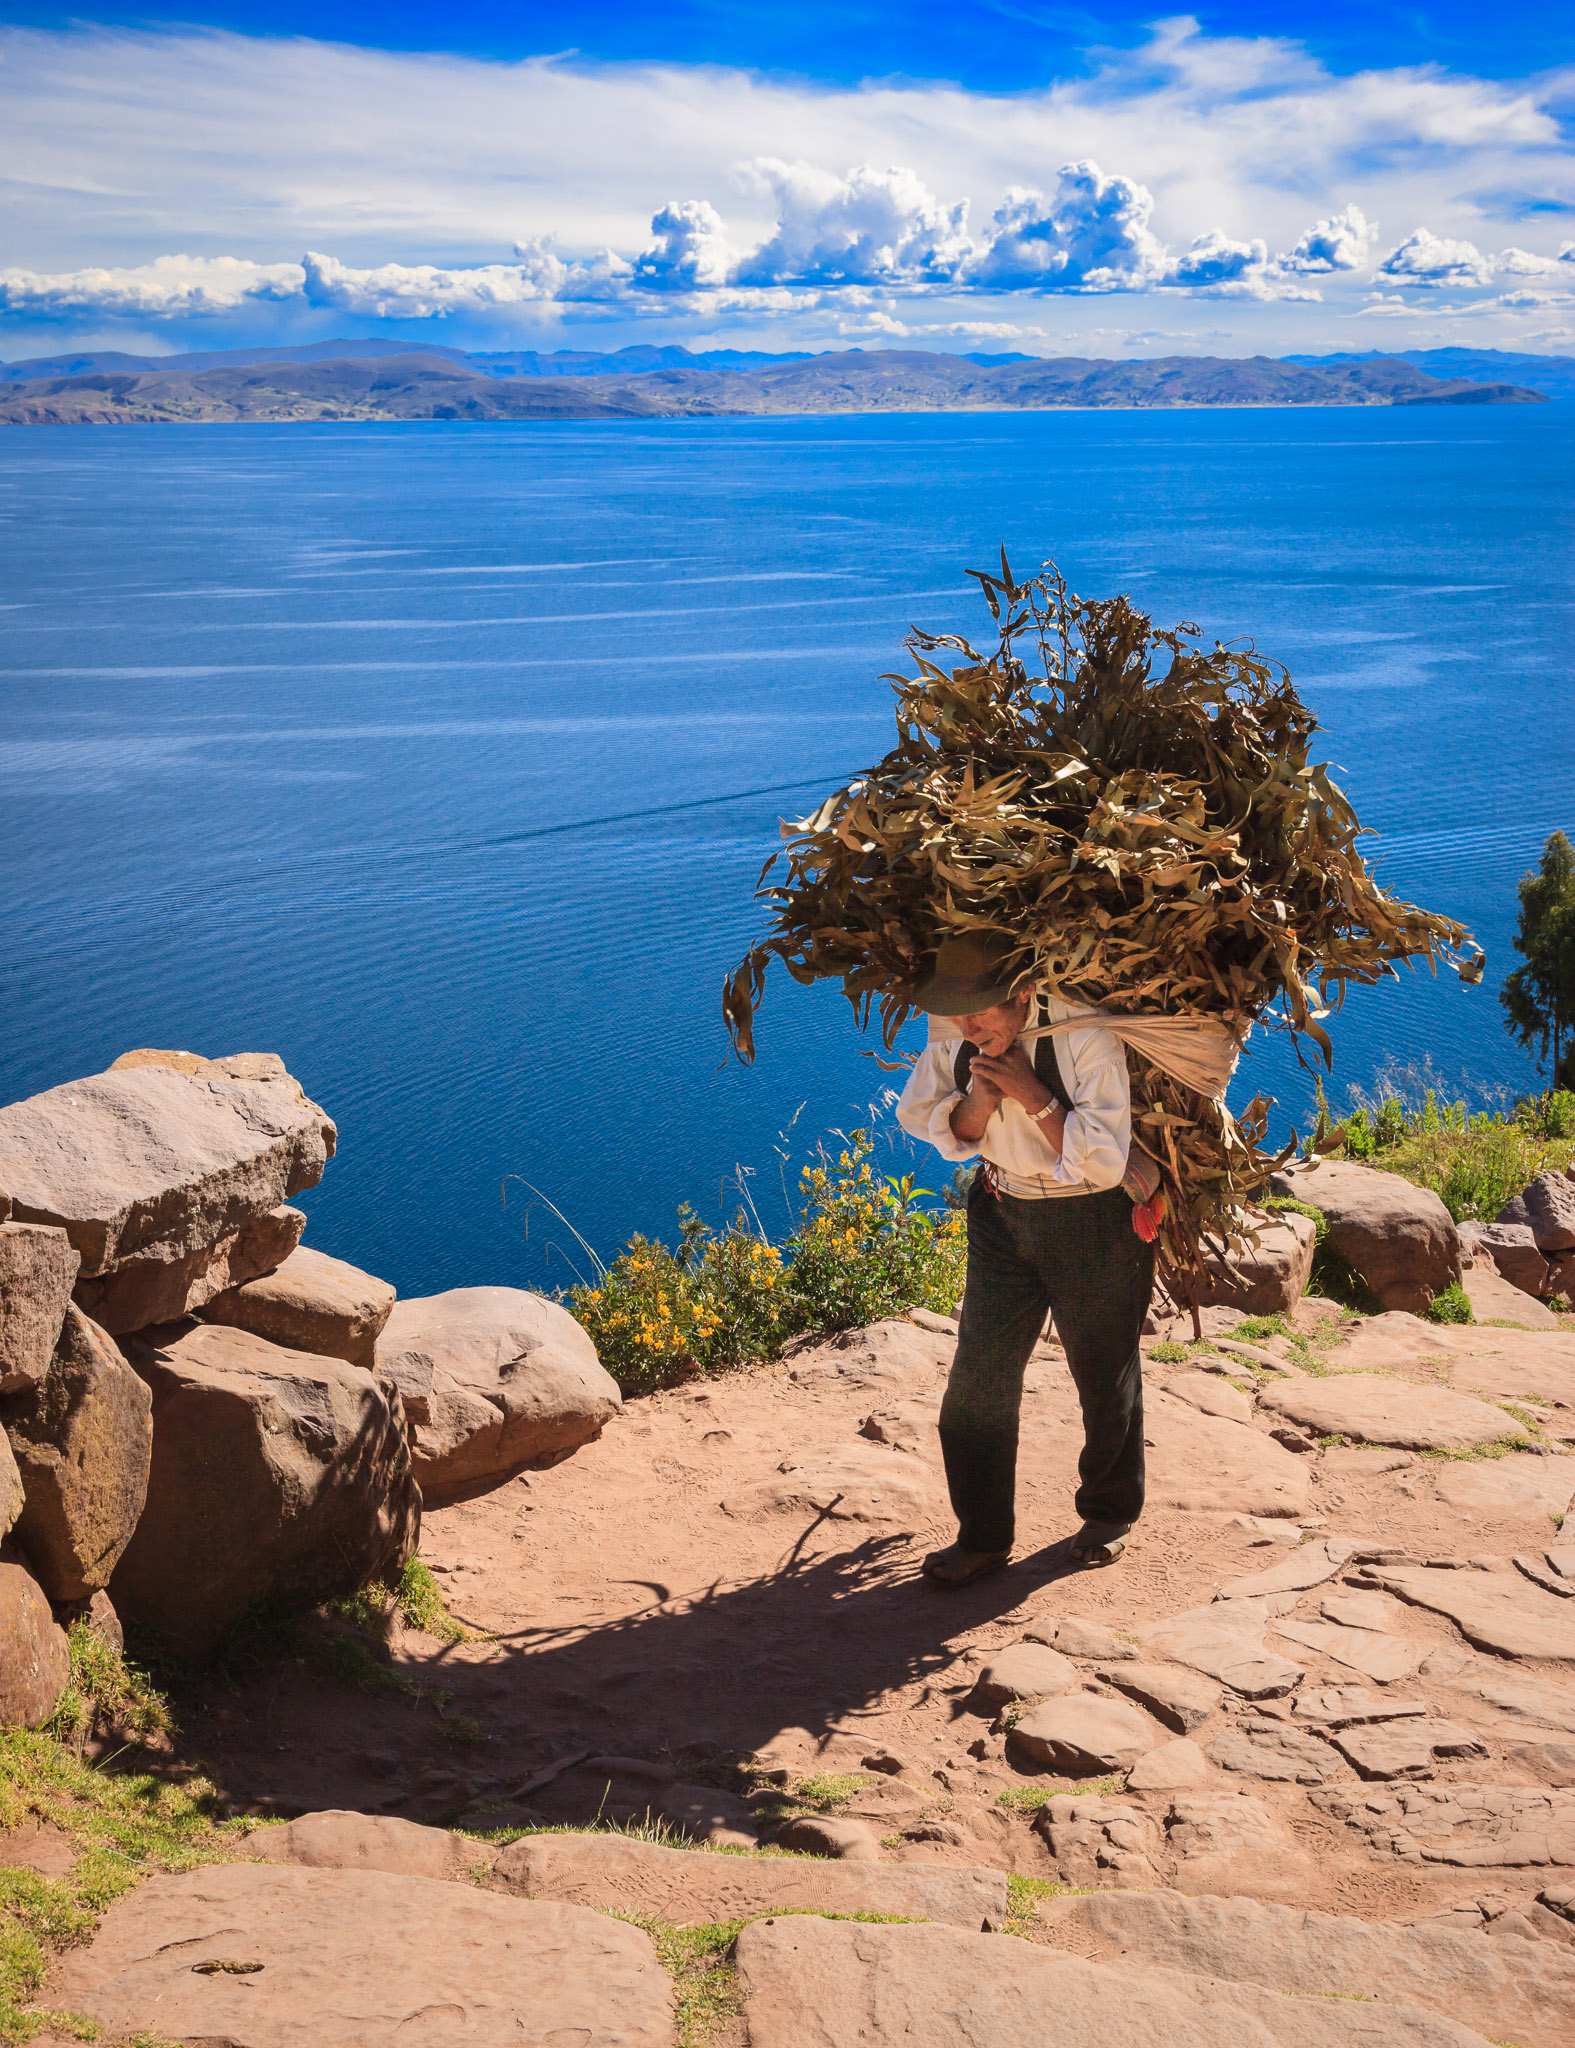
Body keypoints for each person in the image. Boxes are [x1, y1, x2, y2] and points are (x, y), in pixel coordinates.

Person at [895, 932, 1154, 1584]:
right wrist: (980, 1102)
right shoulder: (953, 1031)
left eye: (981, 1013)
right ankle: (981, 1537)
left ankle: (1107, 1512)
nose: (966, 1027)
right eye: (958, 1014)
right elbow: (921, 1117)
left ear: (1025, 994)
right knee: (976, 1381)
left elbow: (1100, 1161)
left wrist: (1033, 1096)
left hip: (1091, 1219)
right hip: (1000, 1212)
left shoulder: (1084, 1038)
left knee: (1102, 1373)